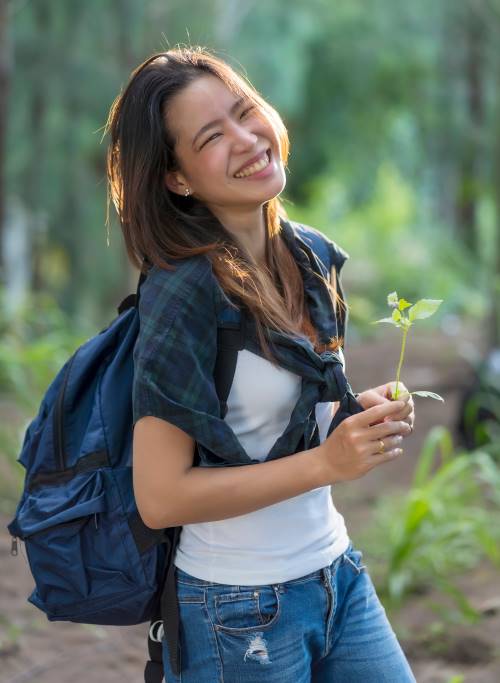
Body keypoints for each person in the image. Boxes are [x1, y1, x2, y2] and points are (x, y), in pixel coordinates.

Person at [105, 46, 417, 682]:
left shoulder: (311, 256)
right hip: (235, 608)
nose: (248, 141)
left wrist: (355, 419)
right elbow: (160, 497)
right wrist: (327, 463)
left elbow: (285, 426)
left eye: (246, 113)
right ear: (177, 178)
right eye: (213, 136)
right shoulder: (183, 294)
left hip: (337, 575)